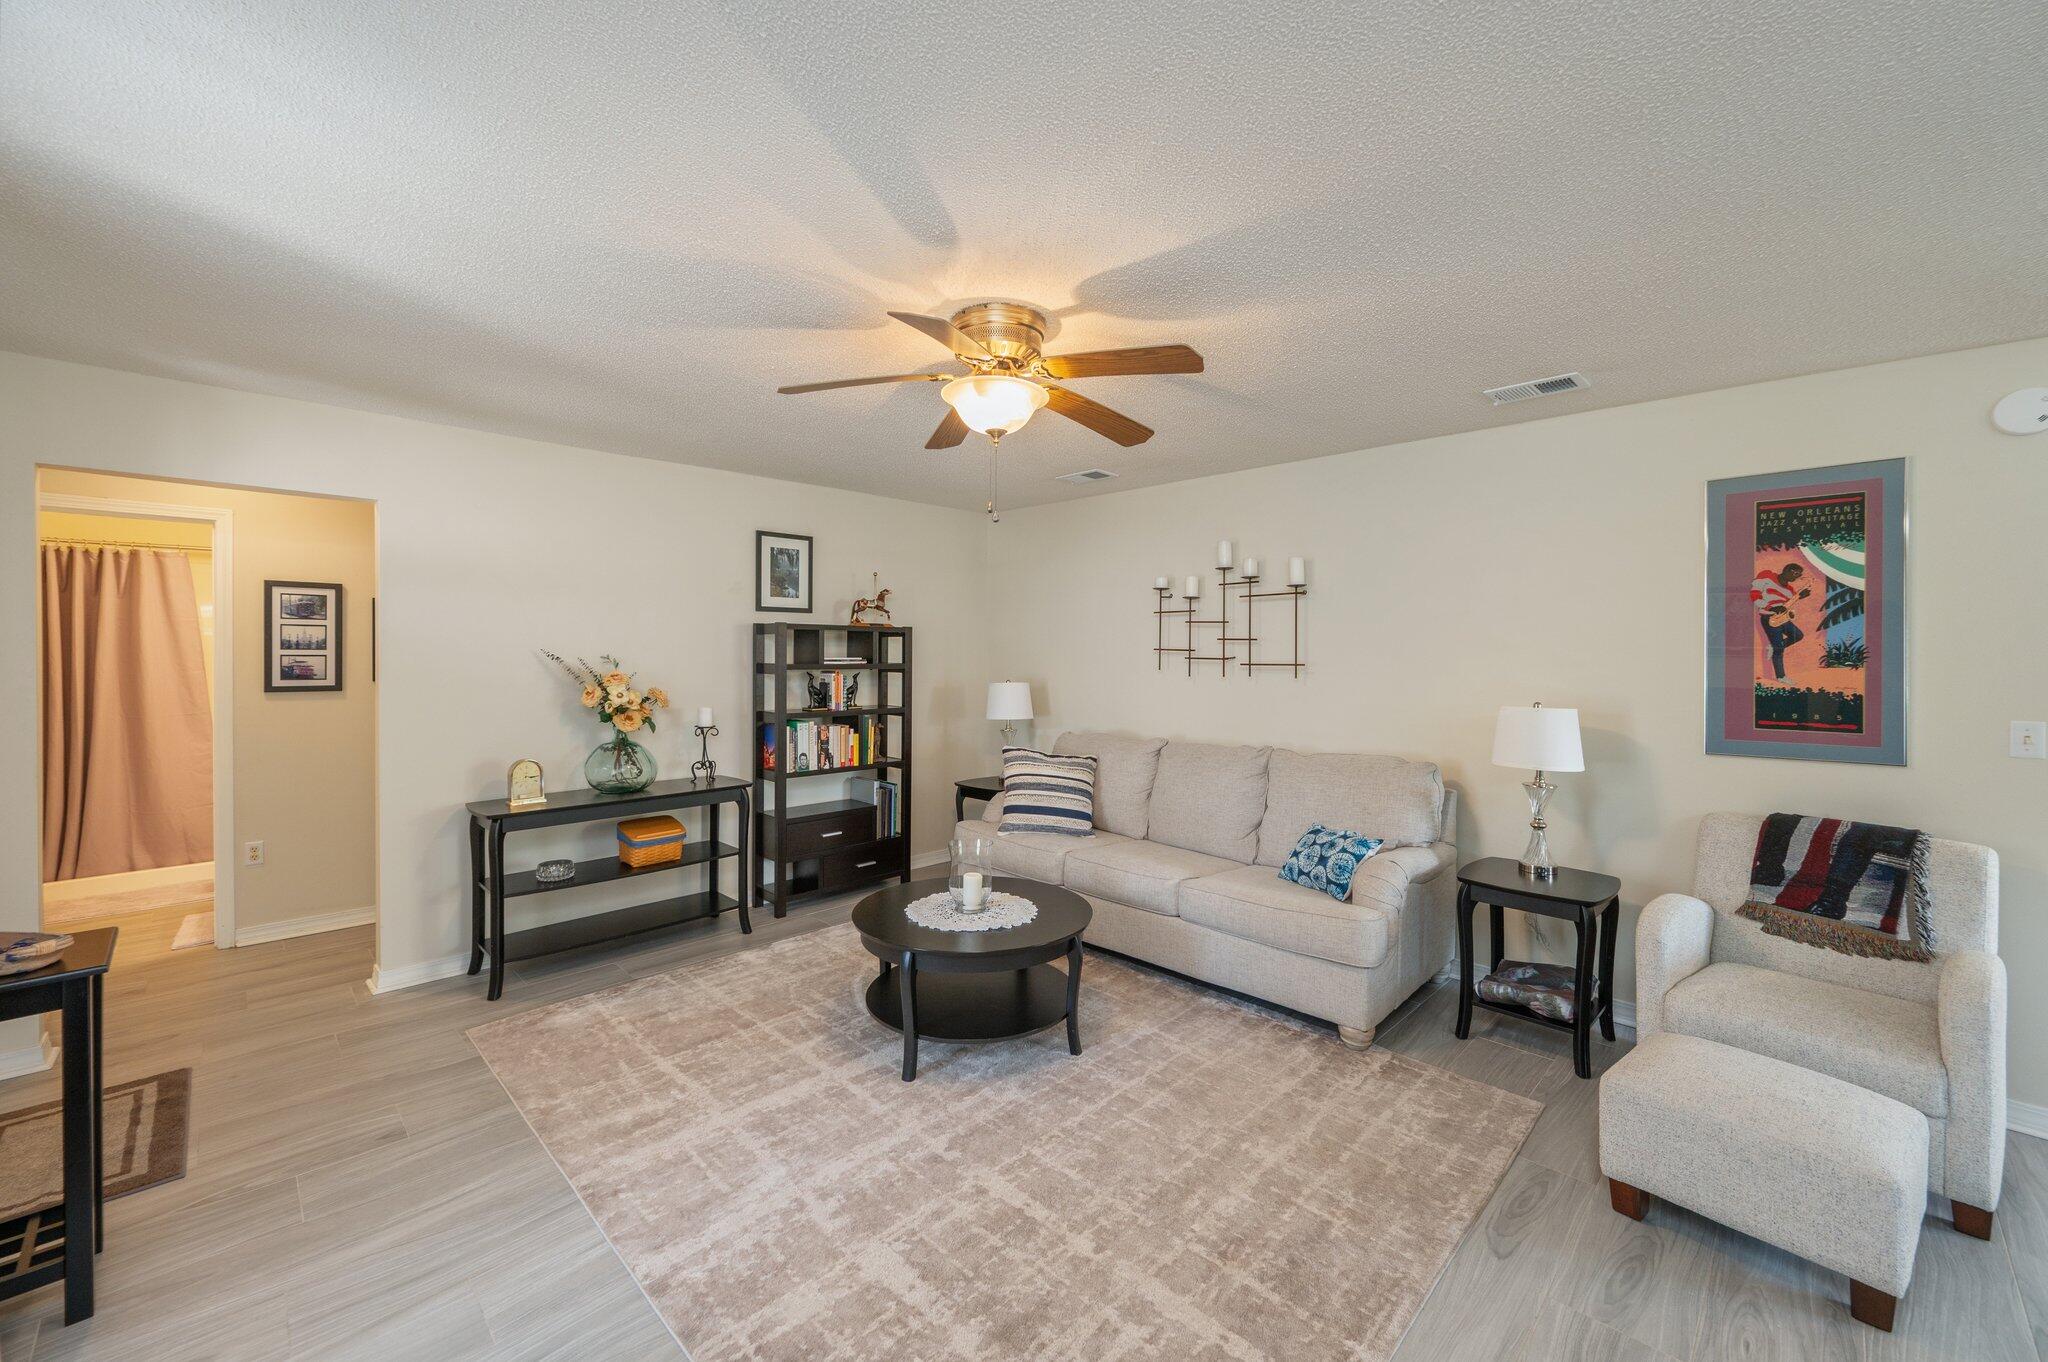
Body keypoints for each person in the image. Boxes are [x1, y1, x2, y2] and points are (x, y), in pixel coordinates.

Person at [1751, 561, 1812, 681]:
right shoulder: (1767, 575)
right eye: (1796, 573)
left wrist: (1800, 596)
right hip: (1769, 617)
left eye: (1799, 575)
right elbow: (1754, 595)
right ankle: (1781, 676)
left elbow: (1788, 606)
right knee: (1778, 650)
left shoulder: (1790, 590)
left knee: (1798, 635)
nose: (1797, 577)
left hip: (1782, 618)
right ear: (1788, 570)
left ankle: (1774, 646)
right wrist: (1770, 607)